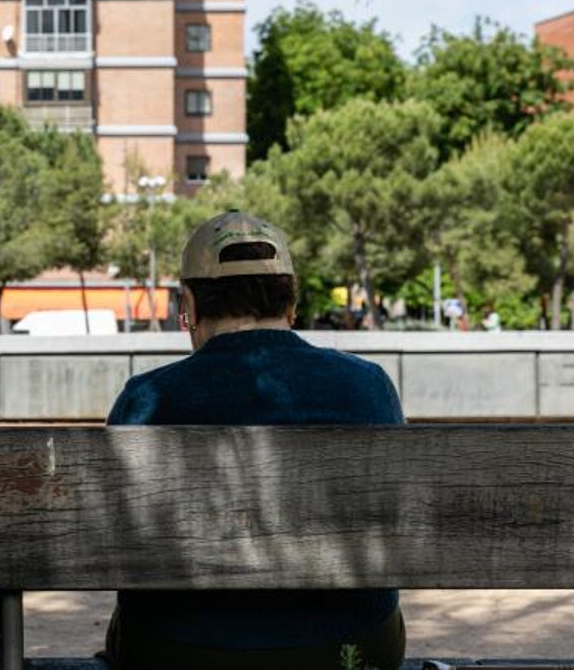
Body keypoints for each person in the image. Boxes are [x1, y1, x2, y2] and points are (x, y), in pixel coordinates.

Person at [103, 210, 406, 670]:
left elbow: (115, 530)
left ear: (189, 303)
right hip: (348, 646)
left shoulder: (147, 397)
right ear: (291, 302)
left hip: (179, 649)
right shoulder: (369, 387)